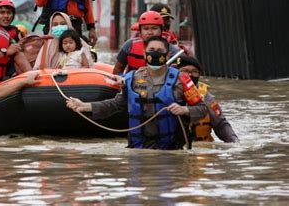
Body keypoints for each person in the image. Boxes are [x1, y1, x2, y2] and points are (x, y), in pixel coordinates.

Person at [66, 36, 208, 150]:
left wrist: (184, 109)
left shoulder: (181, 79)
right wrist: (86, 106)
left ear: (168, 54)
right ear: (145, 53)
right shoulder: (131, 78)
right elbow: (115, 105)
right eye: (151, 49)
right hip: (138, 149)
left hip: (171, 149)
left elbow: (202, 108)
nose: (155, 53)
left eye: (159, 50)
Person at [176, 55, 239, 143]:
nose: (189, 75)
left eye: (194, 71)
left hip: (202, 148)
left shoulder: (207, 97)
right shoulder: (168, 93)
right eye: (185, 71)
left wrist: (234, 141)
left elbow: (221, 125)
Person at [113, 11, 182, 75]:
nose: (150, 32)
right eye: (146, 29)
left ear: (161, 30)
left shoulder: (172, 50)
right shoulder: (129, 45)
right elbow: (118, 68)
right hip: (133, 84)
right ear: (140, 31)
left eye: (154, 28)